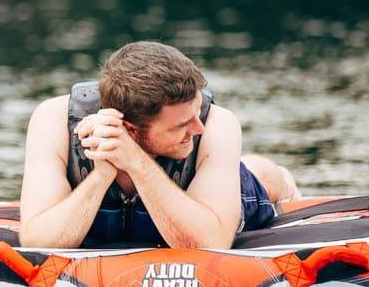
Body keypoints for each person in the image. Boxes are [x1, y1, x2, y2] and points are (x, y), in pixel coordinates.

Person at [19, 42, 298, 249]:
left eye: (196, 112)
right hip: (112, 199)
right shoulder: (54, 119)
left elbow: (210, 244)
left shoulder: (217, 124)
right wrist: (103, 173)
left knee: (258, 176)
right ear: (130, 129)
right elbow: (36, 241)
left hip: (209, 193)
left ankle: (282, 179)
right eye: (180, 125)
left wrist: (136, 162)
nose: (198, 128)